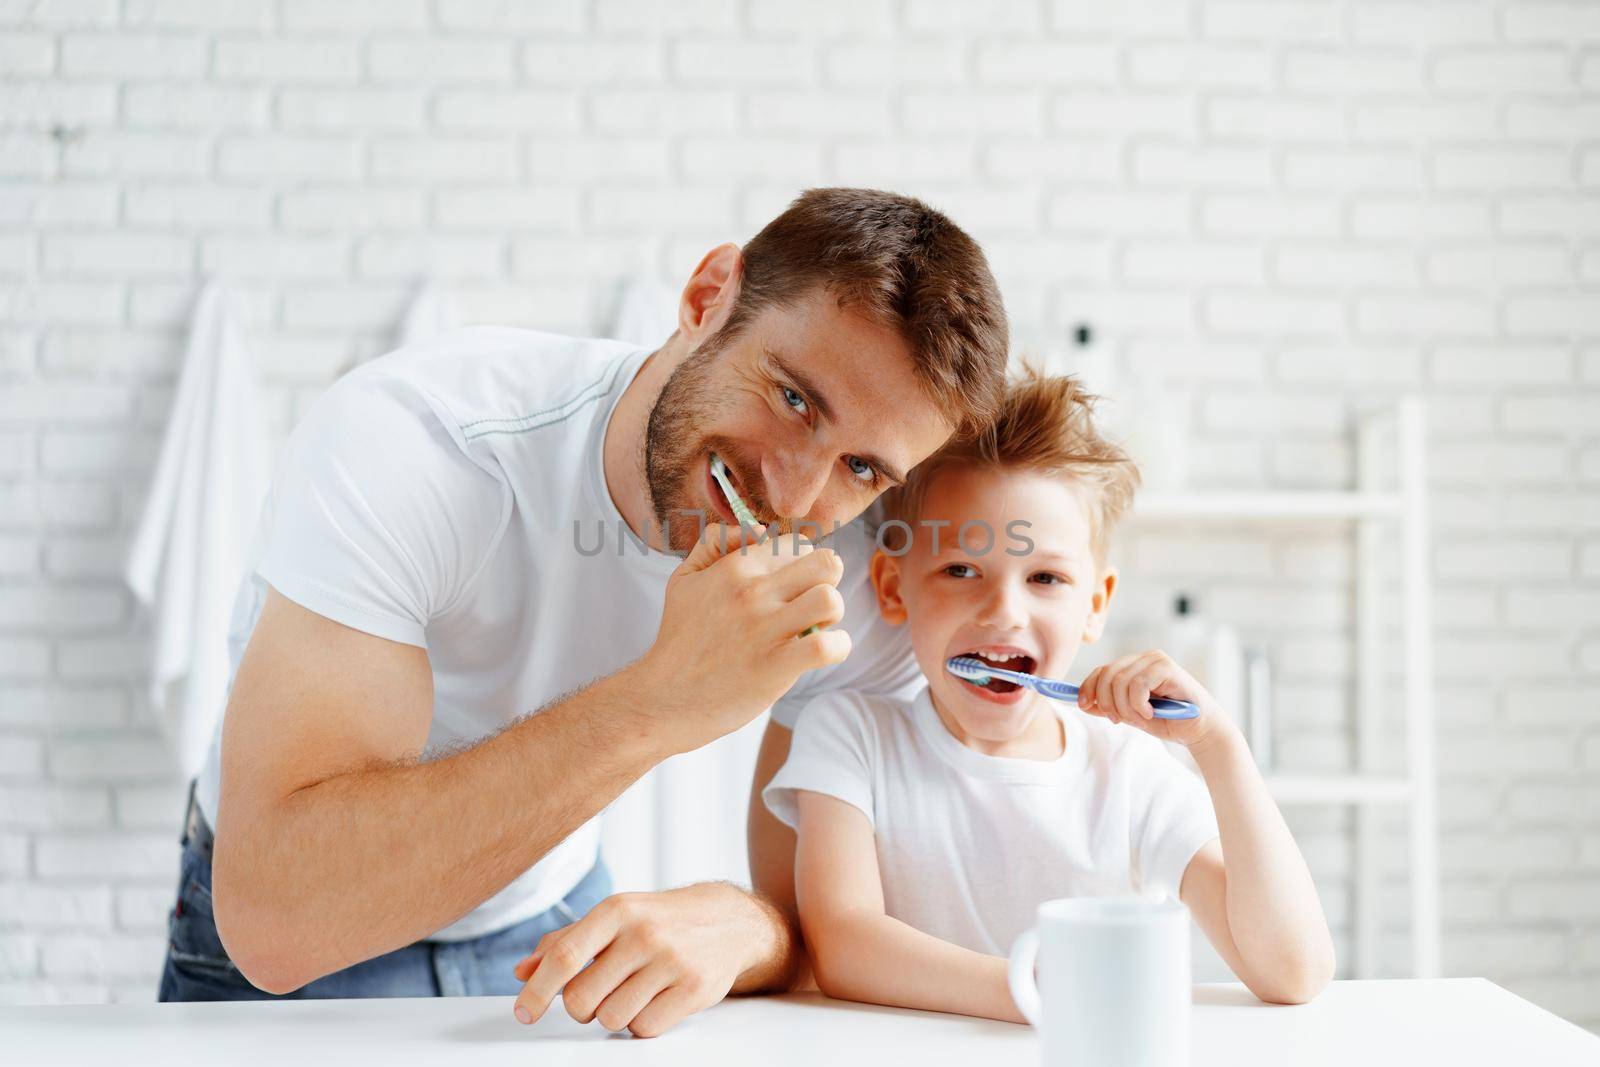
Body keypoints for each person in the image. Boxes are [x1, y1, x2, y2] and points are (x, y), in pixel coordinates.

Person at [157, 188, 1011, 1039]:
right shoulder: (421, 446)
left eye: (862, 467)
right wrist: (659, 701)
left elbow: (831, 924)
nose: (793, 494)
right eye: (793, 399)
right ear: (709, 296)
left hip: (550, 923)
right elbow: (277, 920)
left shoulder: (867, 572)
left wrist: (747, 927)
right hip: (299, 934)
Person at [761, 370, 1336, 1022]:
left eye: (1045, 577)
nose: (1004, 611)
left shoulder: (1132, 775)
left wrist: (1219, 745)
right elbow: (842, 944)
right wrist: (1036, 988)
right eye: (961, 569)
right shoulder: (850, 735)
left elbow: (1294, 969)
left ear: (1096, 605)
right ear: (894, 588)